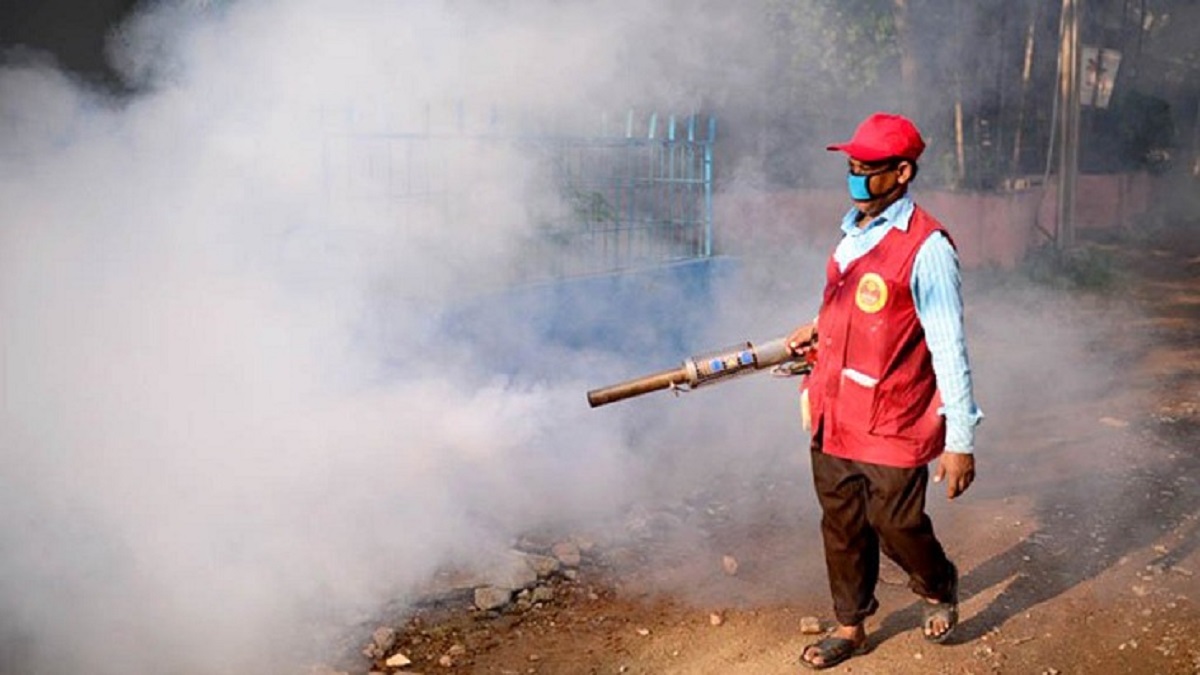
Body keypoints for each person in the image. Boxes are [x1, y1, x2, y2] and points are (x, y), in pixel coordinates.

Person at [786, 112, 984, 670]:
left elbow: (948, 347)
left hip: (894, 418)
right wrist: (818, 328)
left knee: (895, 524)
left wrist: (960, 441)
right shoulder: (853, 232)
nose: (855, 177)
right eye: (851, 166)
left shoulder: (928, 247)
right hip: (834, 411)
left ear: (902, 172)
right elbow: (856, 308)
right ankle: (850, 625)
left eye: (866, 168)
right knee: (842, 524)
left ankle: (937, 582)